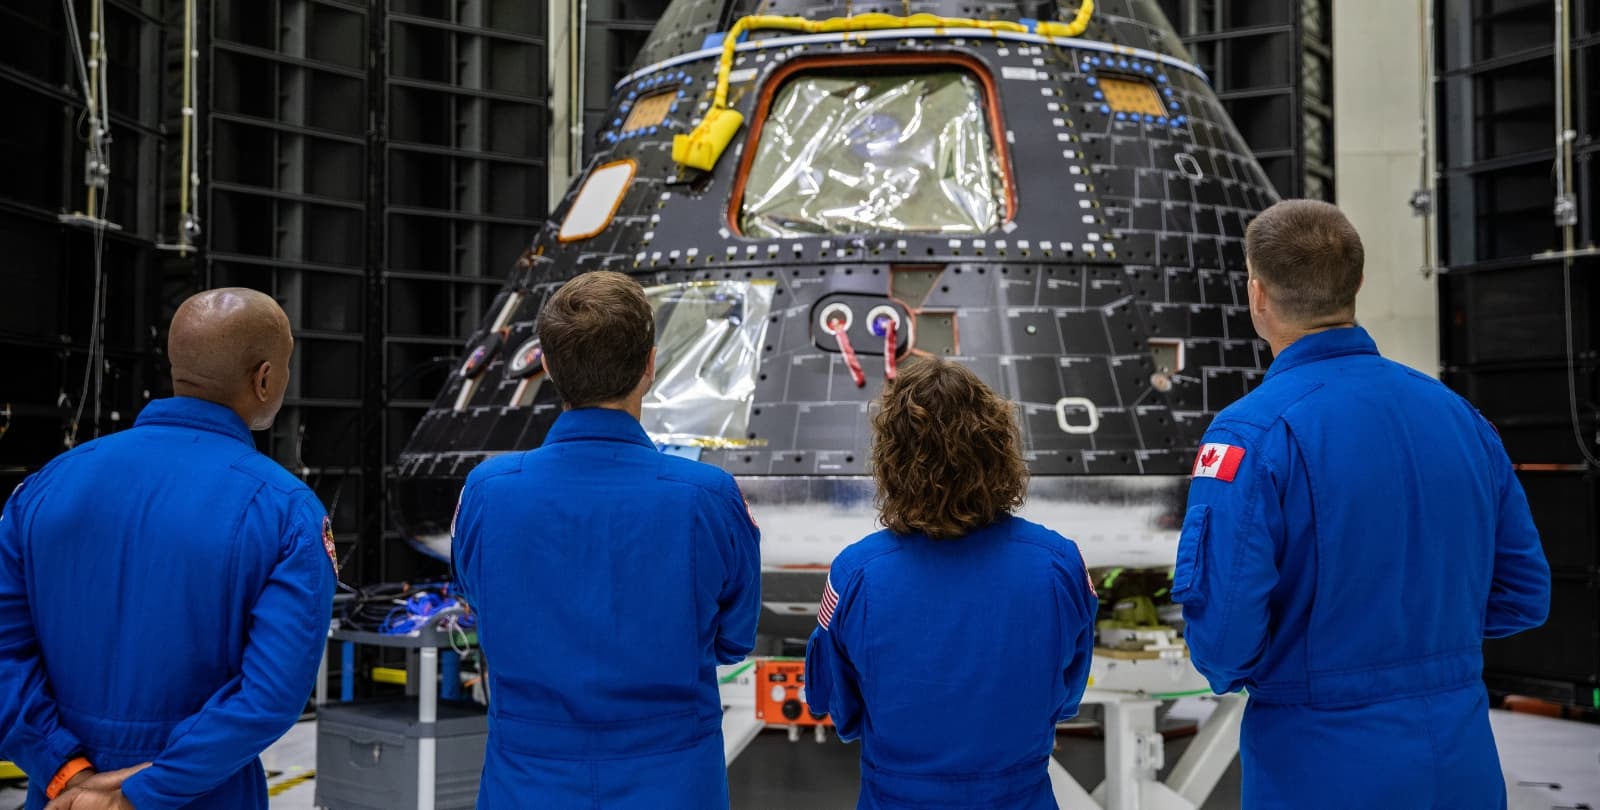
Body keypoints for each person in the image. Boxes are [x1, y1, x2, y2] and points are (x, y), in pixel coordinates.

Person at [1174, 199, 1551, 809]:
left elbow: (1222, 640)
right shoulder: (1462, 419)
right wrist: (1421, 640)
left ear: (1258, 293)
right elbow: (1525, 596)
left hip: (1322, 765)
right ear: (1357, 285)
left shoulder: (1250, 433)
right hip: (1462, 764)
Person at [0, 288, 337, 810]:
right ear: (265, 378)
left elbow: (4, 651)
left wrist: (67, 771)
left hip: (63, 798)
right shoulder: (286, 511)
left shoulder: (44, 487)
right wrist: (137, 794)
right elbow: (268, 696)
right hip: (202, 795)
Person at [451, 271, 761, 809]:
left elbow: (480, 601)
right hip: (674, 785)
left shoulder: (487, 492)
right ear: (650, 366)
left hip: (526, 785)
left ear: (545, 366)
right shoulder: (709, 497)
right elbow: (734, 639)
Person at [805, 357, 1098, 810]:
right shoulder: (1060, 565)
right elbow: (1067, 692)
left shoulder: (855, 573)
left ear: (891, 460)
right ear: (998, 447)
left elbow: (836, 703)